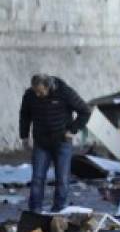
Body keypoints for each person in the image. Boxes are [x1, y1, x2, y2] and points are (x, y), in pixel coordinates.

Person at [19, 74, 91, 213]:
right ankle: (35, 210)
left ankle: (59, 210)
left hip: (62, 142)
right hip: (41, 142)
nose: (38, 94)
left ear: (48, 87)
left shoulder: (65, 92)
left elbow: (85, 111)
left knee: (62, 178)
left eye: (40, 92)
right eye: (35, 91)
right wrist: (24, 136)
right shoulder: (30, 95)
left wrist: (73, 130)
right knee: (37, 178)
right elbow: (24, 115)